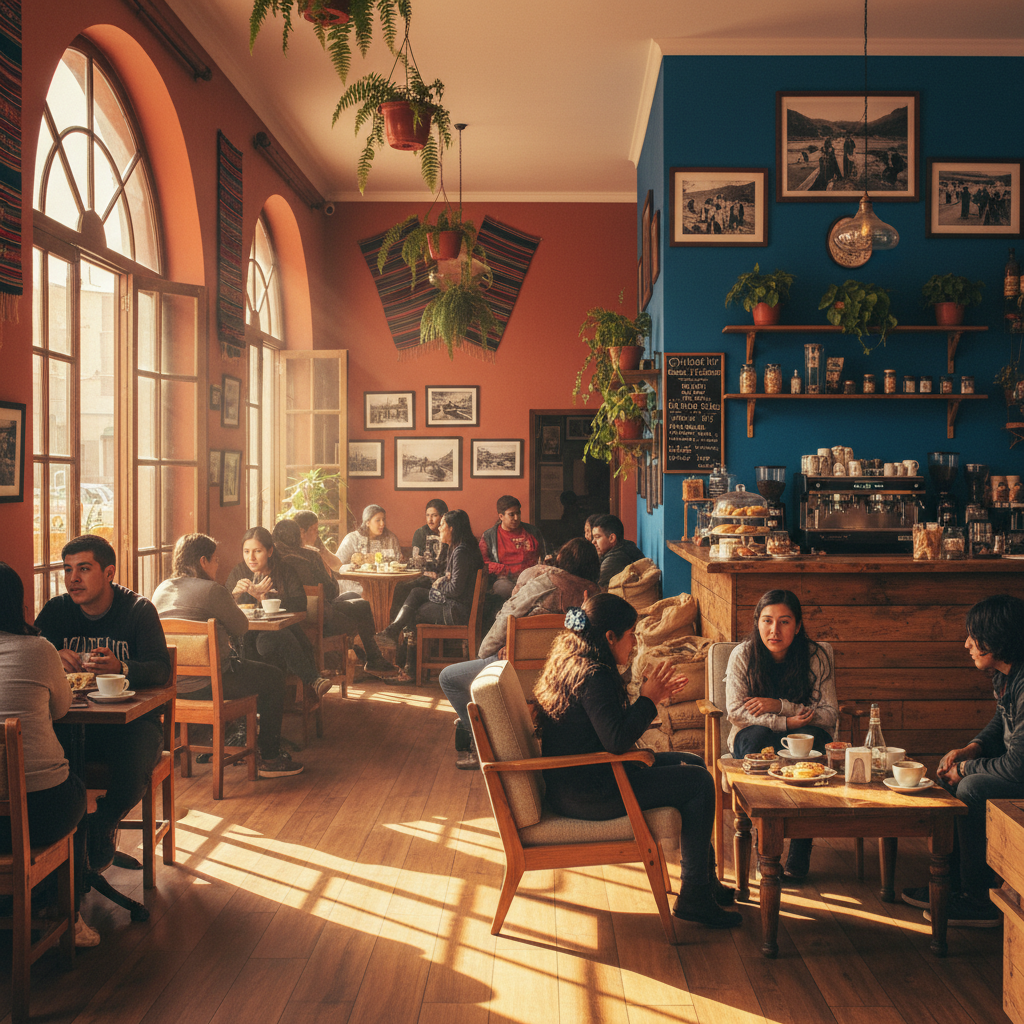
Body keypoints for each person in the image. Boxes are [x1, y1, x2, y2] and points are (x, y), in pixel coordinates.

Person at [533, 594, 741, 928]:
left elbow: (606, 731)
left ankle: (703, 880)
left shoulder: (576, 663)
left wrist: (648, 697)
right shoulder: (594, 675)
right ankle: (694, 896)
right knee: (700, 782)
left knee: (693, 762)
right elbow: (616, 741)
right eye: (631, 634)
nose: (634, 643)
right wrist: (648, 699)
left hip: (582, 780)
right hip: (592, 791)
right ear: (609, 637)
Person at [36, 535, 171, 874]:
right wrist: (52, 655)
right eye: (67, 569)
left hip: (131, 725)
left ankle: (103, 823)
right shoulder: (56, 611)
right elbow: (31, 657)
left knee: (134, 758)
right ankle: (70, 849)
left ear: (109, 572)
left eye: (84, 569)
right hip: (71, 722)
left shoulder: (138, 610)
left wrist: (122, 667)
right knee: (40, 754)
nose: (73, 579)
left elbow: (161, 668)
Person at [900, 595, 1024, 927]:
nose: (967, 644)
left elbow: (1018, 765)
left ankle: (978, 900)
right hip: (1017, 770)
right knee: (950, 778)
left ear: (997, 638)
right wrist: (971, 749)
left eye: (974, 636)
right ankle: (949, 884)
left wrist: (967, 768)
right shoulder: (1007, 674)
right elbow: (1002, 722)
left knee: (971, 787)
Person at [439, 537, 601, 770]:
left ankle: (482, 744)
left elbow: (505, 620)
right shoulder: (595, 597)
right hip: (562, 678)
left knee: (449, 678)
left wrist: (485, 653)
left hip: (516, 673)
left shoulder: (544, 584)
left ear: (560, 560)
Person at [0, 563, 97, 947]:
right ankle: (67, 916)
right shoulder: (38, 650)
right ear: (17, 604)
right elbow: (61, 709)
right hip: (40, 812)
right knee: (76, 792)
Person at [152, 534, 303, 777]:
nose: (217, 566)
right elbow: (241, 627)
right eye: (215, 560)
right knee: (273, 678)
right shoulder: (212, 590)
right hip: (209, 685)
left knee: (253, 672)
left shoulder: (162, 589)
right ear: (203, 561)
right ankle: (270, 758)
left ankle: (243, 738)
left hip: (172, 685)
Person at [724, 589, 837, 881]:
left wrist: (780, 706)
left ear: (797, 626)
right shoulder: (743, 655)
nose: (774, 630)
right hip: (755, 735)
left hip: (802, 733)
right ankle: (765, 847)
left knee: (814, 739)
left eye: (784, 622)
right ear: (757, 622)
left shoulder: (815, 656)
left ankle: (800, 850)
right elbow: (736, 712)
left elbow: (828, 714)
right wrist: (785, 722)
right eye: (767, 620)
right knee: (756, 739)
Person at [271, 519, 395, 677]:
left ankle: (366, 655)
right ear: (298, 535)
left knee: (352, 597)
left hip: (291, 620)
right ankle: (371, 657)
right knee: (362, 608)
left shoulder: (272, 559)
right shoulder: (310, 556)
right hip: (318, 620)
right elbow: (332, 591)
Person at [224, 527, 332, 700]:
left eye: (257, 551)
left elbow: (300, 603)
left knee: (273, 638)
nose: (251, 558)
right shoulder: (239, 572)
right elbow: (223, 608)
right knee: (269, 642)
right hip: (246, 638)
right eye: (246, 551)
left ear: (270, 551)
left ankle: (268, 701)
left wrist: (265, 598)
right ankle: (313, 680)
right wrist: (234, 595)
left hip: (274, 634)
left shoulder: (285, 571)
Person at [381, 509, 484, 680]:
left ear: (452, 528)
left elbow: (455, 589)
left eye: (442, 525)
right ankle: (393, 633)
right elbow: (451, 582)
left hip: (456, 611)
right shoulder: (461, 547)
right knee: (415, 592)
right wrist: (443, 580)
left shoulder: (461, 552)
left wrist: (440, 583)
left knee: (412, 612)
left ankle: (410, 671)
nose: (439, 528)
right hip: (458, 607)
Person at [479, 495, 546, 600]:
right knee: (502, 588)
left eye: (518, 513)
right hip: (506, 580)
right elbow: (482, 562)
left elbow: (545, 554)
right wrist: (503, 569)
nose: (516, 518)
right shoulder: (489, 536)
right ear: (501, 516)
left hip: (532, 579)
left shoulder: (533, 532)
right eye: (511, 514)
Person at [336, 504, 403, 573]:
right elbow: (337, 564)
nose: (382, 523)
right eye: (378, 520)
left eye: (383, 520)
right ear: (367, 522)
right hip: (357, 578)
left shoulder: (391, 538)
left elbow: (398, 563)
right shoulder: (352, 538)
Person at [591, 514, 644, 589]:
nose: (593, 542)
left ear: (612, 538)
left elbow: (595, 588)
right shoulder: (625, 547)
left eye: (597, 537)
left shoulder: (614, 559)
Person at [292, 510, 342, 574]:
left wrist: (322, 548)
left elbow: (337, 565)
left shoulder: (316, 546)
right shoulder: (308, 553)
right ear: (302, 531)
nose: (317, 532)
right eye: (314, 529)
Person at [411, 498, 448, 569]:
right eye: (427, 515)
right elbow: (416, 561)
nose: (430, 519)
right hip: (424, 572)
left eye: (434, 515)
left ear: (442, 517)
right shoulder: (420, 533)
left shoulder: (448, 533)